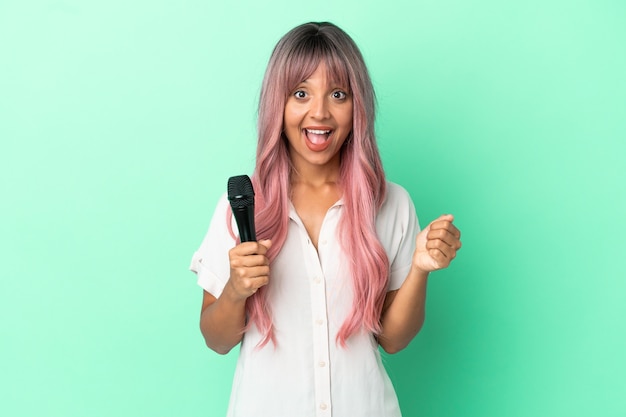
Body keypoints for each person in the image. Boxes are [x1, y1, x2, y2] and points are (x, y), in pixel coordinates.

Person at [190, 21, 462, 417]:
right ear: (277, 104)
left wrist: (421, 268)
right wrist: (235, 290)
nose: (319, 112)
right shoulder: (243, 204)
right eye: (301, 93)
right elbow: (216, 339)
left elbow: (393, 340)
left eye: (338, 94)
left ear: (358, 106)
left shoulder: (391, 203)